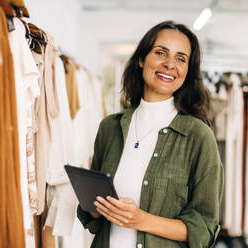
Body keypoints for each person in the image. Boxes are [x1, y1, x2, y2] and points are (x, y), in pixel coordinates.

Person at [77, 20, 224, 248]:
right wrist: (96, 205)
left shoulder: (198, 136)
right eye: (160, 53)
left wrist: (141, 220)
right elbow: (92, 215)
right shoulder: (110, 127)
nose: (169, 64)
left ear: (188, 71)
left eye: (181, 59)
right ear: (142, 59)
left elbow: (204, 229)